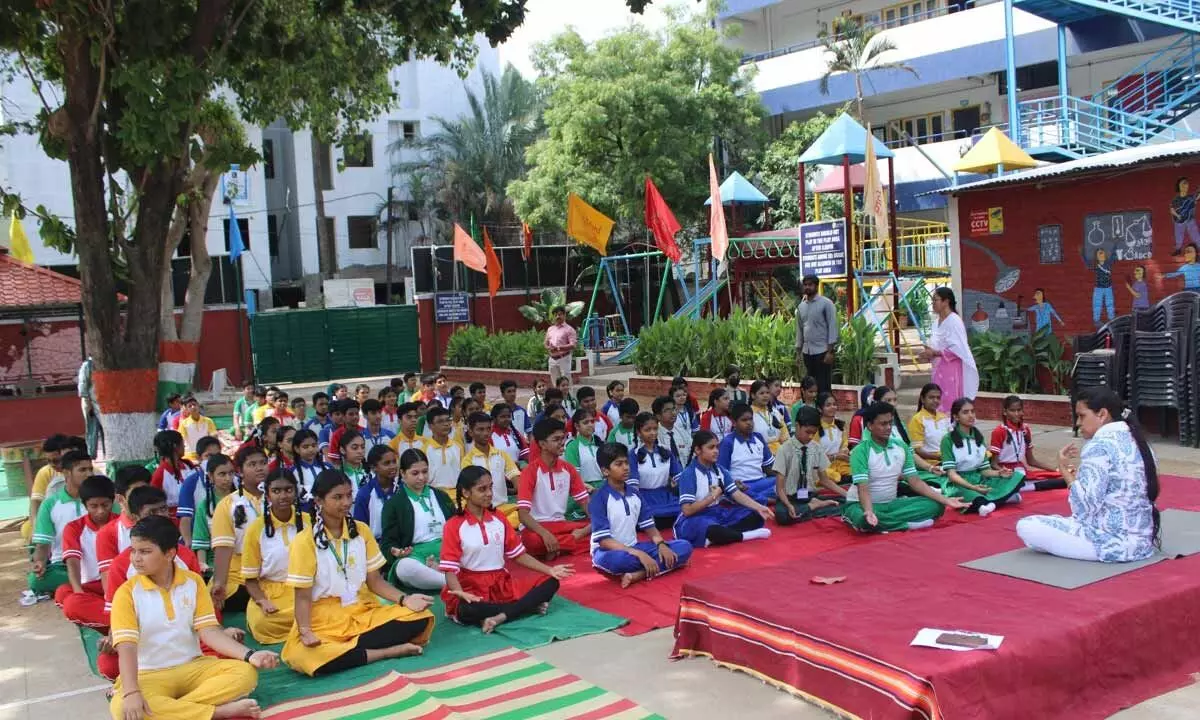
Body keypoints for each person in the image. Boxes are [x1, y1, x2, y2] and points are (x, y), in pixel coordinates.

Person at [107, 516, 278, 720]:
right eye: (133, 551)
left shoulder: (193, 582)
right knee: (121, 708)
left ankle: (175, 712)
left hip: (194, 667)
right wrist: (132, 692)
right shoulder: (127, 593)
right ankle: (216, 712)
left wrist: (251, 655)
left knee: (244, 673)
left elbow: (209, 631)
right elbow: (126, 647)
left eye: (145, 551)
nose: (136, 559)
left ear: (170, 553)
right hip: (148, 674)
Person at [283, 469, 435, 676]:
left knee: (420, 616)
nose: (346, 502)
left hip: (362, 610)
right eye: (337, 497)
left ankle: (352, 651)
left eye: (348, 495)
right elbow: (302, 596)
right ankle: (386, 652)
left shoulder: (361, 530)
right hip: (325, 620)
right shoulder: (304, 541)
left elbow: (375, 582)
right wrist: (305, 631)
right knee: (308, 656)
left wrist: (404, 599)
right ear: (318, 501)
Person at [1017, 388, 1160, 562]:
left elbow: (1085, 507)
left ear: (1102, 414)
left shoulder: (1098, 445)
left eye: (1082, 416)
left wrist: (1066, 473)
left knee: (1026, 527)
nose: (1077, 422)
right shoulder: (1139, 440)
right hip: (1142, 542)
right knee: (1053, 525)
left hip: (1112, 543)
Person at [441, 466, 573, 633]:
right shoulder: (453, 525)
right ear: (466, 493)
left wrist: (550, 570)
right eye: (482, 489)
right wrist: (460, 592)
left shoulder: (499, 518)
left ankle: (499, 617)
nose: (489, 493)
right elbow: (449, 570)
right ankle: (524, 608)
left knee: (551, 582)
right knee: (468, 609)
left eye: (490, 487)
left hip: (501, 583)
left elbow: (518, 555)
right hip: (471, 586)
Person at [842, 402, 968, 532]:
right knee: (862, 519)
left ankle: (887, 523)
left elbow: (914, 481)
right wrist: (868, 511)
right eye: (883, 424)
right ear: (869, 426)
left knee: (935, 505)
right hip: (861, 504)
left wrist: (946, 500)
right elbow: (863, 488)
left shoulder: (901, 446)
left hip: (891, 504)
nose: (888, 427)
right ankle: (905, 525)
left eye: (890, 423)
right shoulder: (860, 451)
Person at [590, 442, 692, 587]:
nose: (625, 467)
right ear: (606, 471)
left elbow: (649, 527)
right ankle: (658, 566)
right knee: (620, 561)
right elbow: (604, 541)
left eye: (626, 462)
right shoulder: (599, 498)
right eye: (619, 464)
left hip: (635, 546)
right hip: (609, 552)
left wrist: (662, 545)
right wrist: (638, 554)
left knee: (684, 547)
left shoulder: (635, 494)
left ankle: (640, 574)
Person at [674, 431, 773, 548]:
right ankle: (745, 536)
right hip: (696, 517)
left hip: (717, 513)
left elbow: (736, 494)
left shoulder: (720, 470)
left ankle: (720, 537)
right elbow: (687, 510)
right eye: (711, 447)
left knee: (755, 515)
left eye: (717, 447)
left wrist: (759, 507)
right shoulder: (689, 474)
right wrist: (712, 497)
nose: (716, 451)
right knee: (710, 529)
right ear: (698, 450)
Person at [241, 469, 305, 645]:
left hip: (304, 589)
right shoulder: (256, 529)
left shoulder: (308, 522)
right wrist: (262, 601)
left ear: (296, 491)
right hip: (272, 593)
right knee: (263, 622)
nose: (283, 496)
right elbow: (251, 580)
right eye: (276, 491)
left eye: (288, 490)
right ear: (267, 494)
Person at [517, 418, 592, 559]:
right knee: (532, 541)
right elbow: (523, 515)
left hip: (562, 525)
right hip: (537, 528)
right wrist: (545, 535)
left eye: (563, 438)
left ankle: (555, 548)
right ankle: (562, 546)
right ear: (542, 444)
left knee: (600, 532)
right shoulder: (530, 471)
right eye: (556, 439)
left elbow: (587, 506)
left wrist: (584, 531)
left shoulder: (568, 469)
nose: (562, 442)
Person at [380, 449, 453, 591]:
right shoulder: (394, 504)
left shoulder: (441, 496)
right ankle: (450, 582)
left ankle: (444, 574)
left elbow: (457, 526)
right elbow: (388, 543)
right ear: (402, 473)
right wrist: (396, 551)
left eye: (425, 472)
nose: (421, 477)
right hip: (416, 556)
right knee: (404, 568)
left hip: (449, 551)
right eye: (415, 473)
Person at [207, 445, 269, 613]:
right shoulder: (228, 505)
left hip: (274, 573)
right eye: (252, 464)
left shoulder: (278, 499)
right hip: (240, 579)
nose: (259, 468)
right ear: (240, 471)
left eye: (263, 462)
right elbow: (223, 548)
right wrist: (219, 583)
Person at [939, 398, 1025, 516]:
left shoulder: (978, 437)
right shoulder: (948, 440)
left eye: (972, 411)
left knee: (1017, 477)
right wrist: (972, 487)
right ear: (956, 417)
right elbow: (952, 475)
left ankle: (990, 504)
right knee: (975, 497)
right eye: (965, 412)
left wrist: (999, 473)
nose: (971, 415)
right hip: (959, 483)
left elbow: (984, 470)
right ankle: (998, 500)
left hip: (979, 479)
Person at [27, 450, 93, 602]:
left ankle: (82, 584)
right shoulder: (50, 504)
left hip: (97, 560)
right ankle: (89, 584)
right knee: (35, 580)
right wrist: (40, 563)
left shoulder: (100, 499)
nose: (89, 474)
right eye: (82, 470)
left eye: (90, 469)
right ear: (66, 473)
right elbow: (43, 545)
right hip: (63, 566)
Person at [57, 474, 116, 629]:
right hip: (92, 587)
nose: (100, 511)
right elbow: (72, 562)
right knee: (64, 594)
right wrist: (78, 591)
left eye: (105, 505)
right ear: (84, 505)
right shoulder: (74, 527)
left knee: (73, 604)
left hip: (118, 586)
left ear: (113, 501)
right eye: (94, 506)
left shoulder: (121, 524)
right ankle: (120, 621)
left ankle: (116, 622)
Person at [775, 407, 844, 525]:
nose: (811, 436)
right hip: (791, 498)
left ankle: (810, 507)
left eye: (814, 433)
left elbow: (824, 480)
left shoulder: (816, 448)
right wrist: (788, 504)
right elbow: (780, 488)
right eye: (808, 432)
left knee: (846, 501)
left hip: (809, 495)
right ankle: (813, 507)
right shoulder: (784, 449)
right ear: (797, 426)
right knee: (782, 515)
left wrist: (848, 495)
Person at [989, 395, 1067, 491]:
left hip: (1021, 472)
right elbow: (994, 464)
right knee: (1050, 484)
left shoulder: (1025, 430)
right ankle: (1024, 488)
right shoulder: (999, 431)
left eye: (1019, 410)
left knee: (1061, 480)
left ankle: (1024, 488)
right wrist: (1005, 472)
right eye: (1012, 410)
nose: (1017, 414)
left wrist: (1056, 470)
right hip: (1005, 474)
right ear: (1005, 412)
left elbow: (1031, 461)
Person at [919, 288, 978, 413]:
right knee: (937, 399)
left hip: (951, 369)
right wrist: (929, 353)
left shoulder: (954, 321)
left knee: (949, 401)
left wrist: (935, 353)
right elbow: (937, 344)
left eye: (935, 300)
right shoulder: (936, 323)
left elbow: (959, 349)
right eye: (932, 300)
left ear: (946, 302)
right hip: (937, 368)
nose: (933, 303)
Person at [461, 412, 521, 527]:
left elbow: (515, 477)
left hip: (504, 509)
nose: (486, 433)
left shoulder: (501, 455)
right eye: (480, 429)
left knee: (522, 516)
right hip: (481, 511)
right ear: (471, 432)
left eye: (488, 429)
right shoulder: (468, 461)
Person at [96, 466, 152, 584]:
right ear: (120, 499)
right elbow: (109, 581)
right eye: (136, 493)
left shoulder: (161, 522)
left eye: (146, 491)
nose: (144, 497)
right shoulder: (108, 533)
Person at [627, 412, 684, 526]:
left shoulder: (666, 451)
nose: (653, 433)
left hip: (666, 497)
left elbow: (679, 477)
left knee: (683, 509)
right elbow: (633, 487)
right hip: (645, 498)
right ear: (639, 432)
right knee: (646, 516)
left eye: (655, 429)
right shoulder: (633, 454)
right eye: (647, 430)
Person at [717, 403, 779, 504]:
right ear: (734, 422)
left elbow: (768, 467)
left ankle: (755, 500)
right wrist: (734, 484)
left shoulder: (759, 438)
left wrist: (783, 477)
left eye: (751, 419)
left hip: (761, 483)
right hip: (741, 485)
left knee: (782, 482)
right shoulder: (728, 442)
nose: (749, 423)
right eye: (744, 420)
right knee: (734, 492)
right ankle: (767, 500)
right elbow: (722, 473)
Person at [189, 455, 236, 573]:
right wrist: (203, 565)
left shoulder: (244, 500)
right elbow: (201, 541)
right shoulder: (204, 506)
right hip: (216, 566)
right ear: (210, 476)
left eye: (231, 473)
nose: (228, 478)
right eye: (222, 474)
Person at [20, 434, 67, 544]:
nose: (52, 465)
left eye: (56, 460)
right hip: (52, 519)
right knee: (27, 529)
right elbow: (36, 502)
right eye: (48, 461)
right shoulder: (46, 472)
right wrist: (36, 527)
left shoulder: (85, 470)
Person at [795, 274, 839, 394]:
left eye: (810, 285)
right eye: (805, 285)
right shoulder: (801, 307)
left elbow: (832, 326)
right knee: (810, 385)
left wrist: (830, 352)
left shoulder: (826, 304)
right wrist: (798, 353)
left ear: (816, 286)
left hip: (822, 351)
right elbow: (799, 329)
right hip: (807, 352)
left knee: (823, 385)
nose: (807, 287)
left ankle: (825, 410)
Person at [353, 445, 401, 538]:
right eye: (387, 463)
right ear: (374, 467)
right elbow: (360, 528)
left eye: (394, 462)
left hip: (401, 543)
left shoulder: (402, 488)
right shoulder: (365, 494)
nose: (393, 466)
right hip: (375, 545)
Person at [417, 405, 465, 491]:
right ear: (430, 426)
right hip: (434, 493)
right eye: (440, 421)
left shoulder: (458, 447)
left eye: (448, 420)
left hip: (456, 493)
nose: (446, 424)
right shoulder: (424, 450)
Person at [151, 430, 194, 515]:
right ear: (175, 446)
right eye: (182, 443)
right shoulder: (159, 475)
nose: (184, 446)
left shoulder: (188, 465)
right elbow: (154, 503)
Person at [908, 383, 951, 464]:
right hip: (930, 463)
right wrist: (940, 458)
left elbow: (952, 440)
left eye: (938, 398)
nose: (935, 400)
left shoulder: (944, 417)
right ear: (922, 399)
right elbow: (917, 450)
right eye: (931, 397)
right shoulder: (917, 420)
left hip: (947, 459)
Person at [816, 393, 851, 484]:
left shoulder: (840, 426)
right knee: (832, 476)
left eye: (834, 404)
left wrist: (845, 451)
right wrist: (835, 456)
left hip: (840, 464)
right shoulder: (815, 428)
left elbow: (844, 444)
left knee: (858, 471)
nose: (833, 407)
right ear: (820, 409)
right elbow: (814, 457)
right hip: (823, 467)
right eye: (828, 405)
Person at [289, 429, 327, 509]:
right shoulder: (292, 472)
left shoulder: (327, 467)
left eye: (314, 445)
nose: (311, 449)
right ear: (296, 449)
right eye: (305, 447)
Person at [565, 408, 604, 486]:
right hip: (584, 489)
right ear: (577, 426)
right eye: (586, 422)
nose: (590, 424)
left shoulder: (601, 443)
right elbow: (574, 476)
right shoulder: (572, 447)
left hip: (603, 487)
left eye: (592, 421)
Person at [750, 380, 790, 453]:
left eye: (767, 393)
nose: (765, 396)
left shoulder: (775, 412)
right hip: (759, 454)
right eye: (761, 393)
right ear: (753, 395)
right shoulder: (749, 414)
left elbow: (785, 437)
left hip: (779, 454)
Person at [177, 397, 218, 462]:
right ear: (187, 409)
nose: (193, 407)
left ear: (198, 406)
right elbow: (180, 439)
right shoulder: (184, 424)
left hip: (206, 454)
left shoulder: (208, 421)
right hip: (190, 456)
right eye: (190, 406)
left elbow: (214, 435)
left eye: (194, 404)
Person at [654, 395, 692, 466]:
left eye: (674, 409)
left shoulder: (682, 431)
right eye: (667, 410)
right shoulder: (654, 435)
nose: (673, 413)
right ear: (658, 416)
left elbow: (692, 452)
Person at [544, 306, 578, 384]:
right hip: (552, 359)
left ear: (564, 315)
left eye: (560, 314)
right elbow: (545, 343)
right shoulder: (550, 329)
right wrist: (549, 348)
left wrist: (558, 348)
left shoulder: (569, 329)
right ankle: (557, 396)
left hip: (564, 358)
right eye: (555, 315)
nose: (557, 317)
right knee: (555, 382)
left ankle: (569, 396)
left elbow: (573, 345)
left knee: (566, 381)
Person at [490, 403, 528, 467]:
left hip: (517, 474)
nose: (507, 419)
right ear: (494, 418)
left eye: (509, 416)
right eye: (502, 417)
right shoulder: (490, 436)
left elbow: (525, 454)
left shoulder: (515, 433)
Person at [1170, 176, 1199, 254]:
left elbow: (1197, 197)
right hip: (1179, 220)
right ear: (1179, 187)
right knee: (1178, 236)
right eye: (1183, 184)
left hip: (1190, 219)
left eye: (1186, 184)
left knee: (1195, 234)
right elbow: (1172, 210)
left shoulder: (1191, 197)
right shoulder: (1176, 199)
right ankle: (1178, 249)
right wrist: (1177, 215)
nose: (1185, 186)